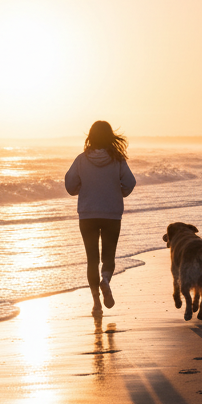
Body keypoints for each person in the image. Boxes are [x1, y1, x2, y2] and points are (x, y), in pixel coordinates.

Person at [65, 121, 136, 315]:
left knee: (92, 259)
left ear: (91, 136)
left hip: (88, 215)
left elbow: (70, 186)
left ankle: (96, 303)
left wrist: (83, 187)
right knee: (108, 256)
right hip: (111, 214)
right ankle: (105, 280)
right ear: (110, 137)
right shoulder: (118, 159)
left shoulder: (81, 160)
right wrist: (120, 192)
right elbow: (130, 182)